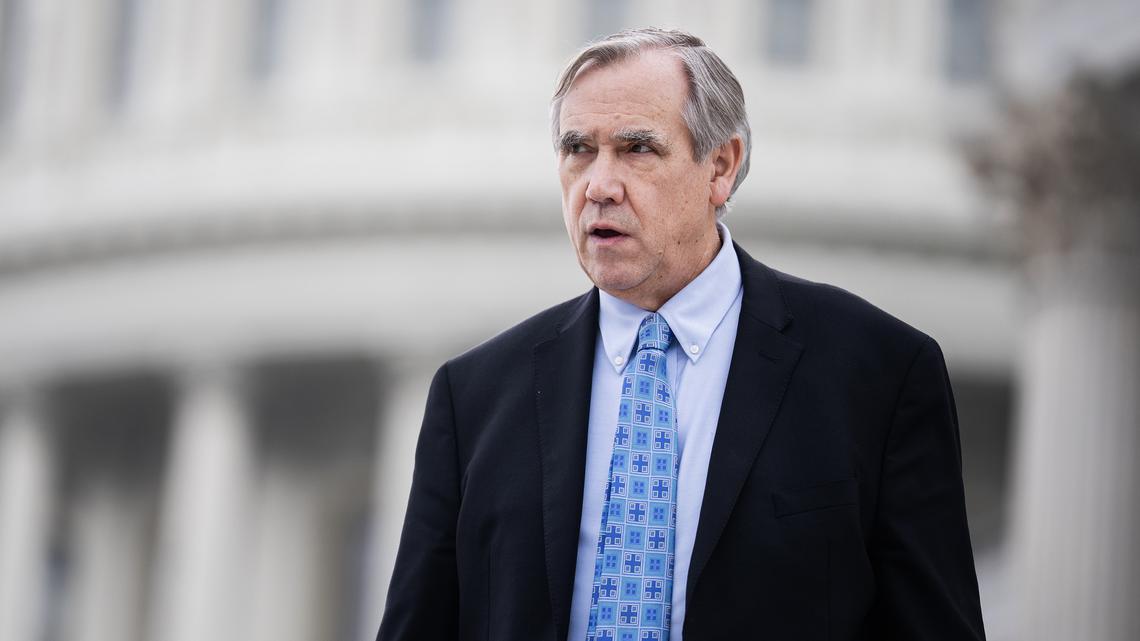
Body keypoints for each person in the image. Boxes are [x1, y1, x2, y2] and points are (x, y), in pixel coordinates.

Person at [377, 28, 985, 641]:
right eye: (578, 149)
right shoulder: (474, 395)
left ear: (721, 166)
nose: (599, 185)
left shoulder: (878, 372)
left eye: (637, 148)